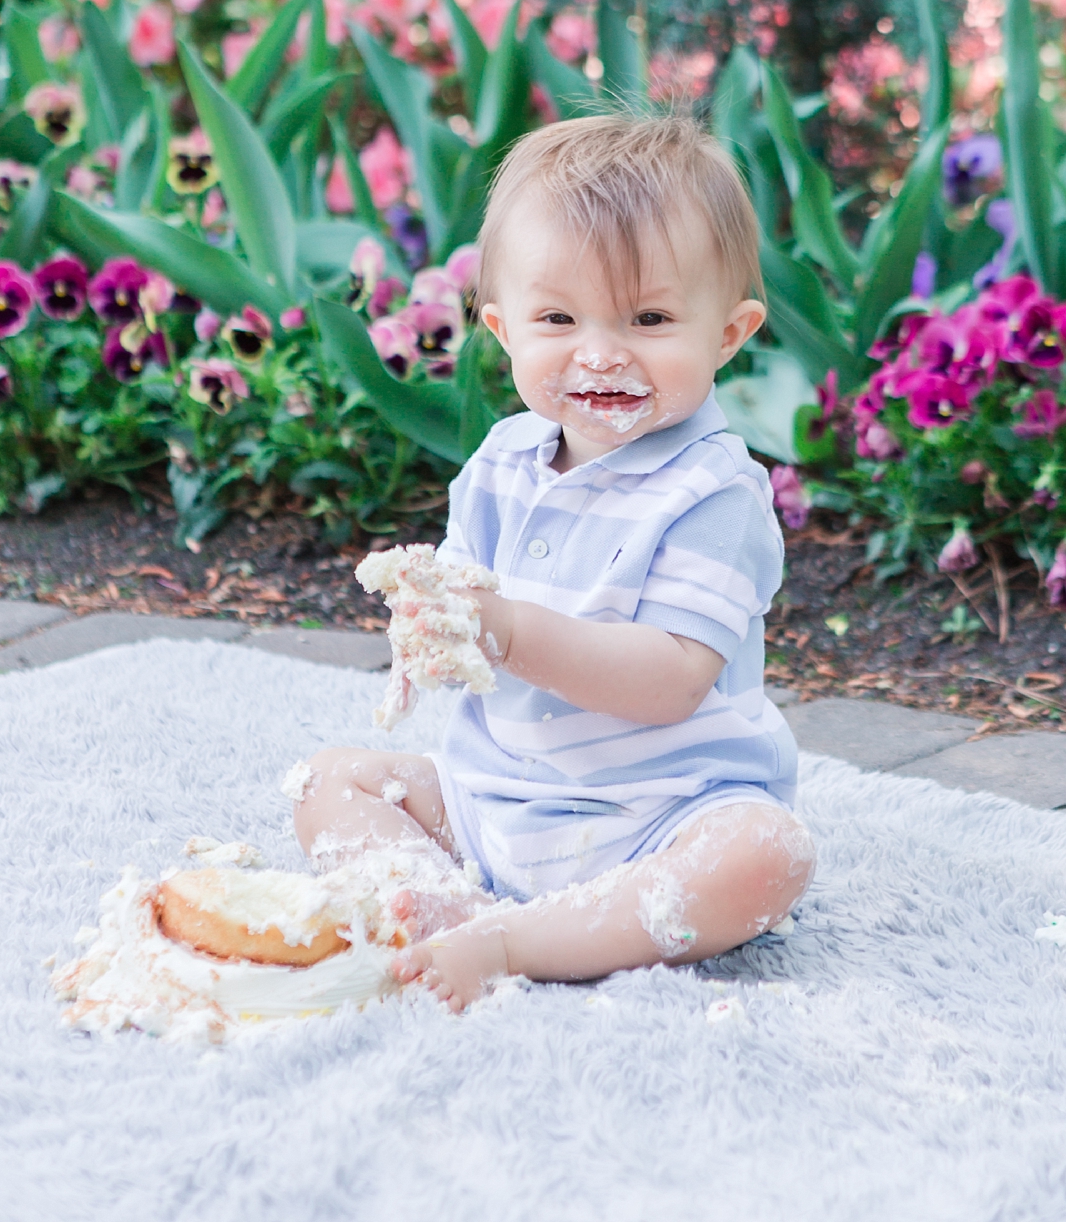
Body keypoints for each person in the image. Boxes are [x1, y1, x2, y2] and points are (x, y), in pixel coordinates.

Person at [294, 112, 815, 1010]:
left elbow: (669, 684)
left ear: (728, 334)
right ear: (502, 327)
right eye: (559, 318)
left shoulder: (715, 495)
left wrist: (503, 629)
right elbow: (458, 609)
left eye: (650, 318)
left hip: (659, 814)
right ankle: (442, 903)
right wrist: (428, 627)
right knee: (329, 780)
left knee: (766, 858)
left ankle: (519, 940)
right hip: (494, 800)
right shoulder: (499, 462)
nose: (601, 351)